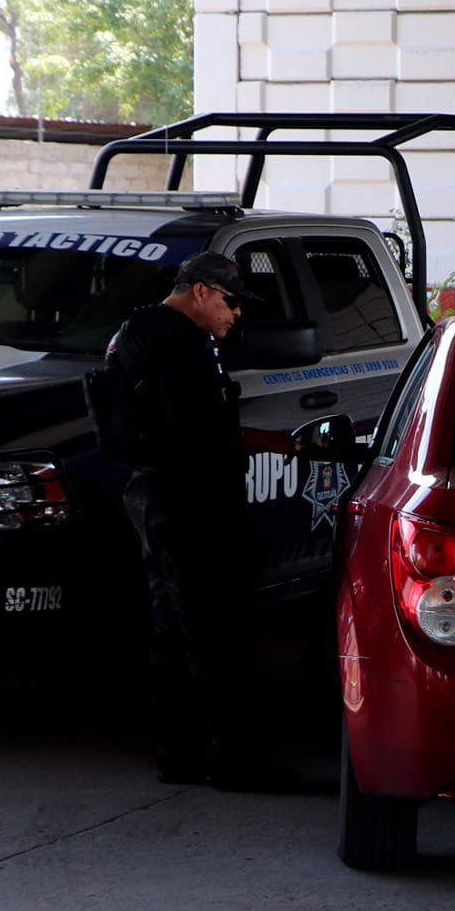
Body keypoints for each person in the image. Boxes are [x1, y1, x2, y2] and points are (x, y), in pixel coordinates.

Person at [102, 251, 301, 790]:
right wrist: (276, 443)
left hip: (154, 491)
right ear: (203, 292)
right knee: (217, 629)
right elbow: (202, 429)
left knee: (173, 627)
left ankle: (178, 755)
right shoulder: (181, 344)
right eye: (232, 301)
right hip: (186, 495)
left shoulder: (135, 333)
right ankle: (235, 762)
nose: (236, 314)